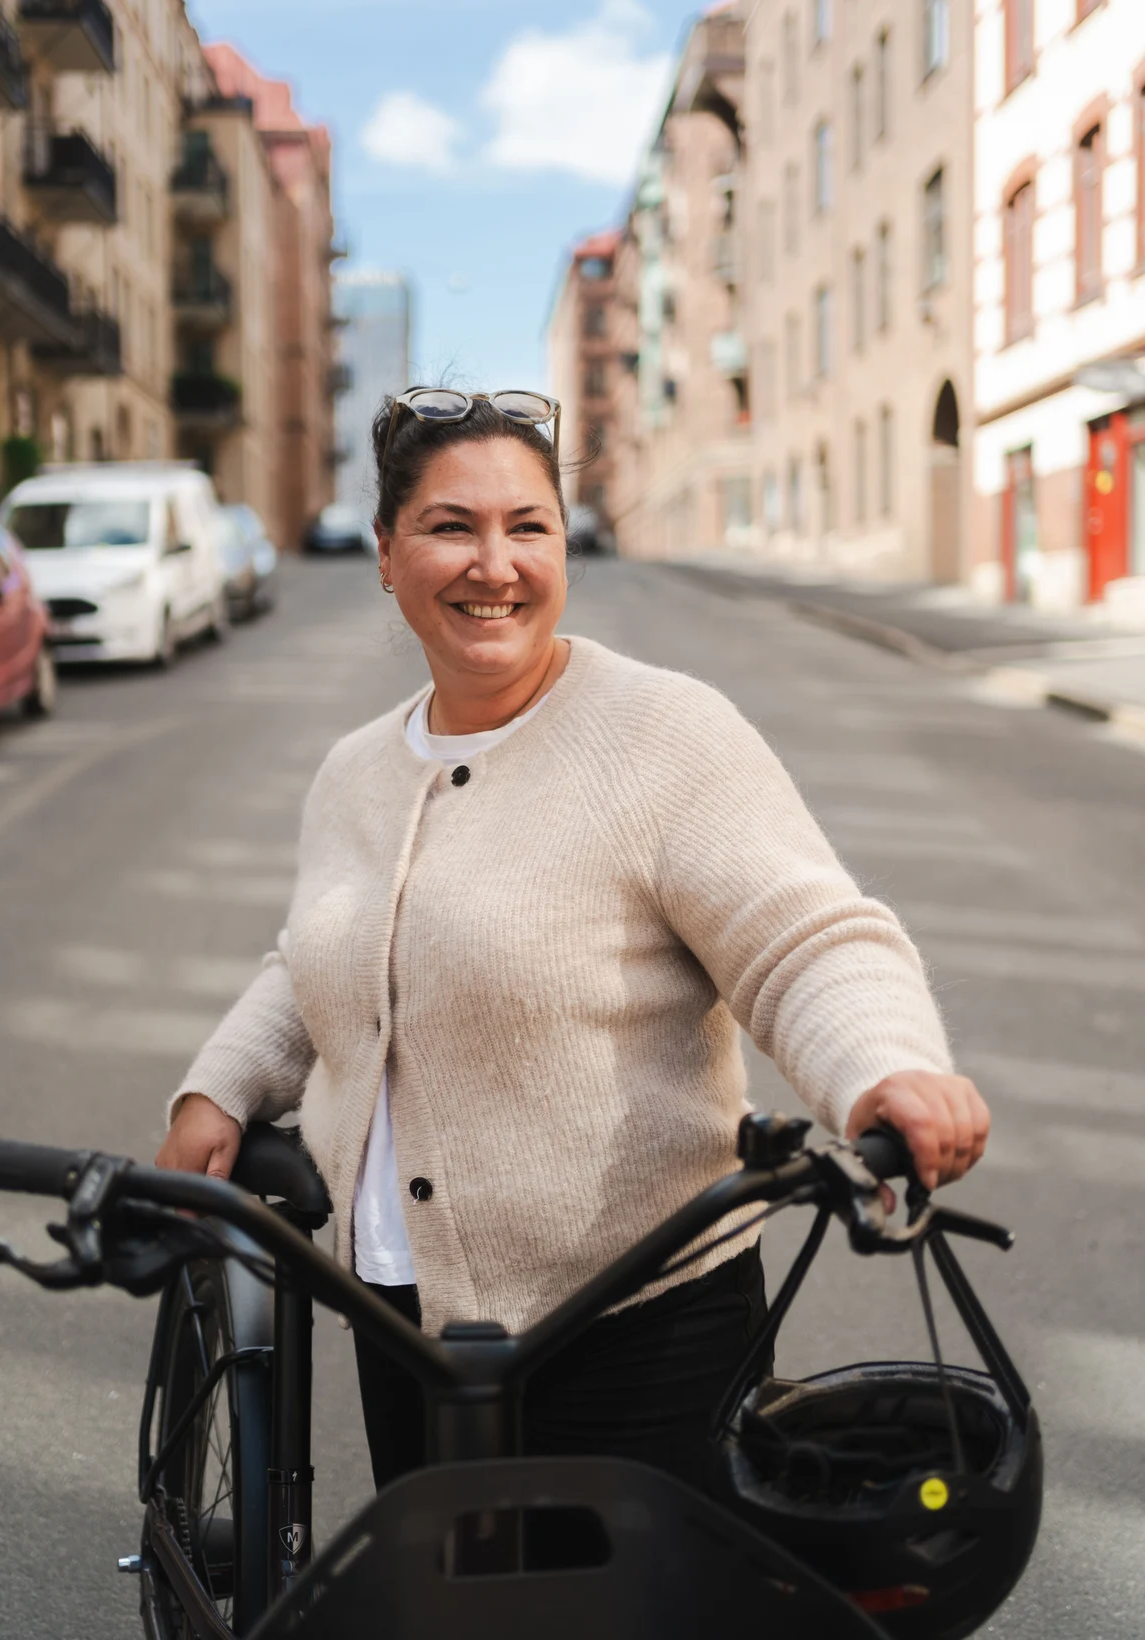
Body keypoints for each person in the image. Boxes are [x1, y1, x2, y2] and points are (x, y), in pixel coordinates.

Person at [158, 387, 989, 1495]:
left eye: (528, 527)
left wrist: (890, 1068)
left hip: (640, 1324)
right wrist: (218, 1088)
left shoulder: (662, 732)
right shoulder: (354, 771)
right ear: (387, 554)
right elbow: (327, 956)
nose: (494, 564)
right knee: (441, 1584)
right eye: (451, 526)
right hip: (401, 1320)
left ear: (563, 548)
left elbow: (804, 937)